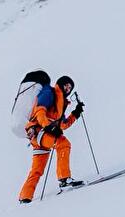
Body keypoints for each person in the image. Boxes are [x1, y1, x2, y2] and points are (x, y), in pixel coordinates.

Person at [17, 74, 85, 204]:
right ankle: (64, 179)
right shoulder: (50, 92)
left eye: (70, 87)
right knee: (63, 143)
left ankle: (24, 197)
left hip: (40, 137)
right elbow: (39, 111)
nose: (68, 88)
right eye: (66, 84)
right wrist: (48, 127)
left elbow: (62, 125)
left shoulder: (60, 103)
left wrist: (75, 114)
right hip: (39, 132)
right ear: (60, 83)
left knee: (37, 170)